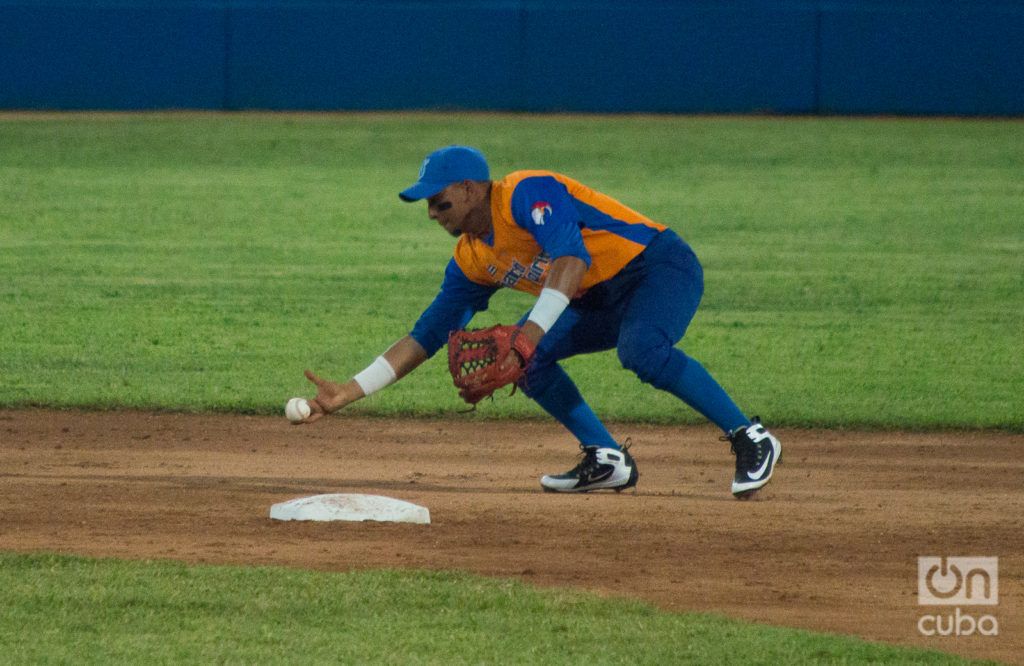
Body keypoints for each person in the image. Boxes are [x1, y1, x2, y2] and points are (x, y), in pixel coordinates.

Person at [299, 145, 781, 498]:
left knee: (641, 351)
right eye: (426, 205)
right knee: (529, 361)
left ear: (470, 188)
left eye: (439, 201)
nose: (432, 213)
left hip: (655, 267)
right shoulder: (471, 258)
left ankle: (751, 437)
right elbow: (426, 335)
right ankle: (607, 458)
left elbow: (569, 259)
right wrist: (350, 390)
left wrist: (529, 334)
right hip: (593, 296)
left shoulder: (526, 193)